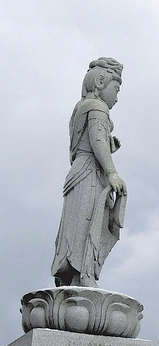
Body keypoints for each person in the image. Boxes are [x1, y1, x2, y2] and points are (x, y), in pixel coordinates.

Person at [52, 57, 127, 288]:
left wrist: (108, 146)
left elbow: (89, 142)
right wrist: (112, 172)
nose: (117, 96)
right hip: (89, 176)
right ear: (101, 81)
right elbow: (96, 140)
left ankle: (72, 276)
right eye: (116, 89)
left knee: (78, 225)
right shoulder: (97, 107)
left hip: (81, 171)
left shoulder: (80, 108)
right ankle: (85, 274)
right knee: (89, 223)